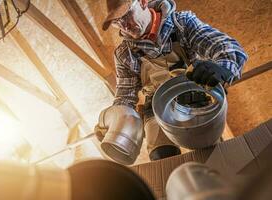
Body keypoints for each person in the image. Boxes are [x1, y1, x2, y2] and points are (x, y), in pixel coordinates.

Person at [95, 0, 248, 162]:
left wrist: (221, 68)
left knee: (211, 156)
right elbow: (125, 96)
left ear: (143, 2)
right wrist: (113, 120)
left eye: (126, 15)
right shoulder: (124, 54)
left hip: (194, 99)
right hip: (155, 109)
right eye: (117, 22)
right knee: (162, 160)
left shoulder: (181, 23)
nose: (124, 26)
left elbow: (227, 47)